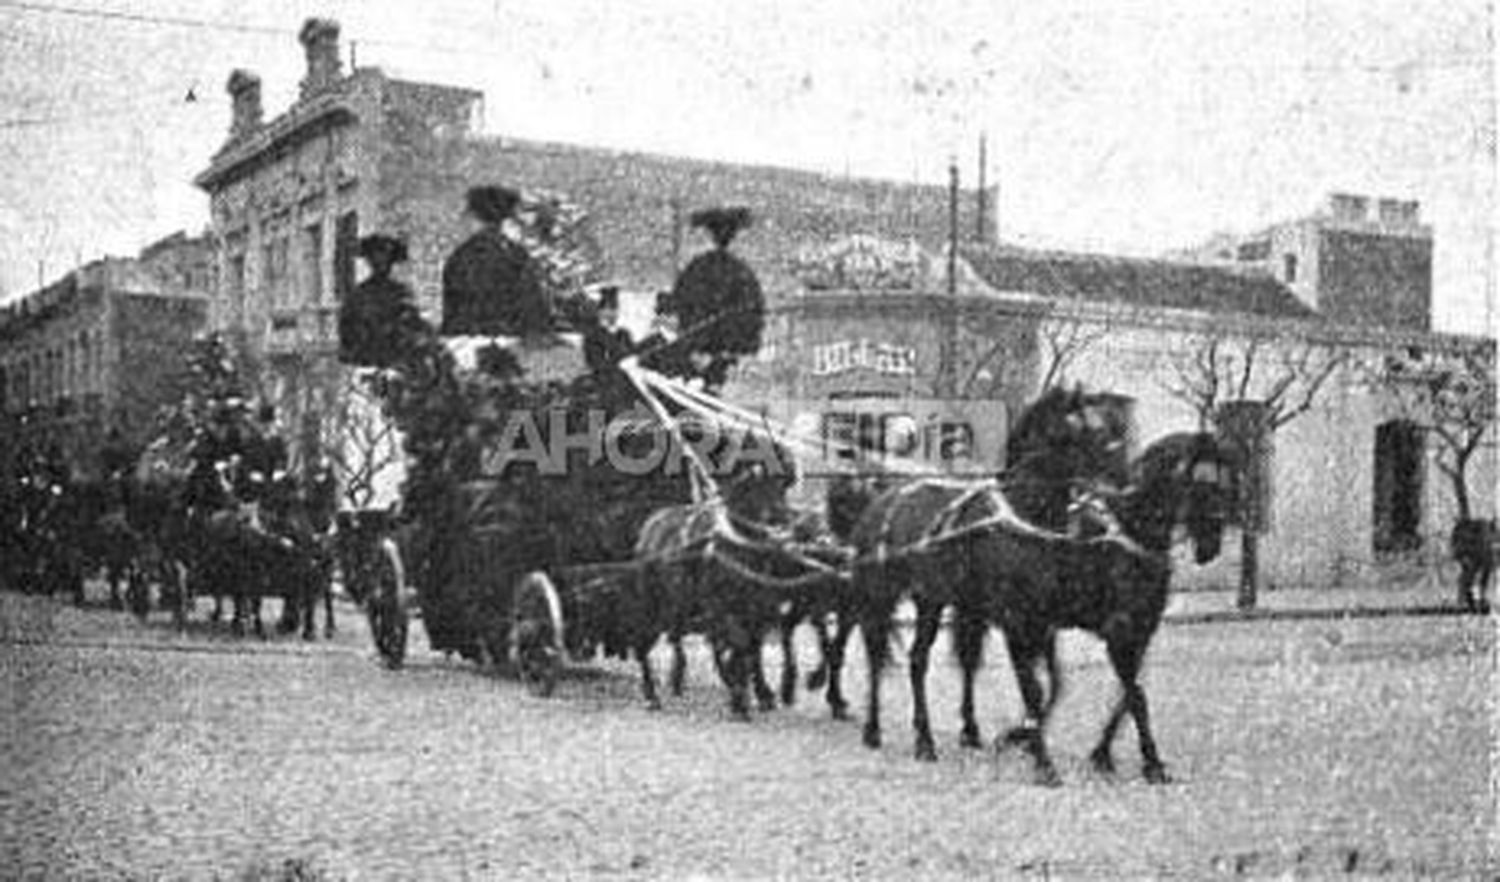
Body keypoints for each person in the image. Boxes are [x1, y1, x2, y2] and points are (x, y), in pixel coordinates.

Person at [665, 205, 766, 390]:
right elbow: (752, 318)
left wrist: (694, 349)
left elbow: (679, 310)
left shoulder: (696, 269)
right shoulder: (742, 273)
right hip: (722, 360)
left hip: (699, 358)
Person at [440, 185, 552, 340]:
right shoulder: (517, 254)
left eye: (467, 212)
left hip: (476, 345)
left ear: (475, 216)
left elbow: (458, 316)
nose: (462, 218)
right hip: (518, 342)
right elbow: (535, 311)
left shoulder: (464, 256)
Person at [339, 234, 429, 369]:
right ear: (370, 262)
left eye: (386, 260)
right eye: (376, 259)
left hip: (397, 365)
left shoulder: (401, 292)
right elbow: (347, 333)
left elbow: (414, 326)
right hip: (366, 364)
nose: (381, 264)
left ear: (391, 263)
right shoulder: (358, 295)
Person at [582, 286, 635, 374]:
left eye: (614, 311)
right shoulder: (593, 336)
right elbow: (595, 363)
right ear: (600, 313)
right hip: (605, 378)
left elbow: (632, 352)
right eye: (607, 311)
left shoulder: (624, 333)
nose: (611, 315)